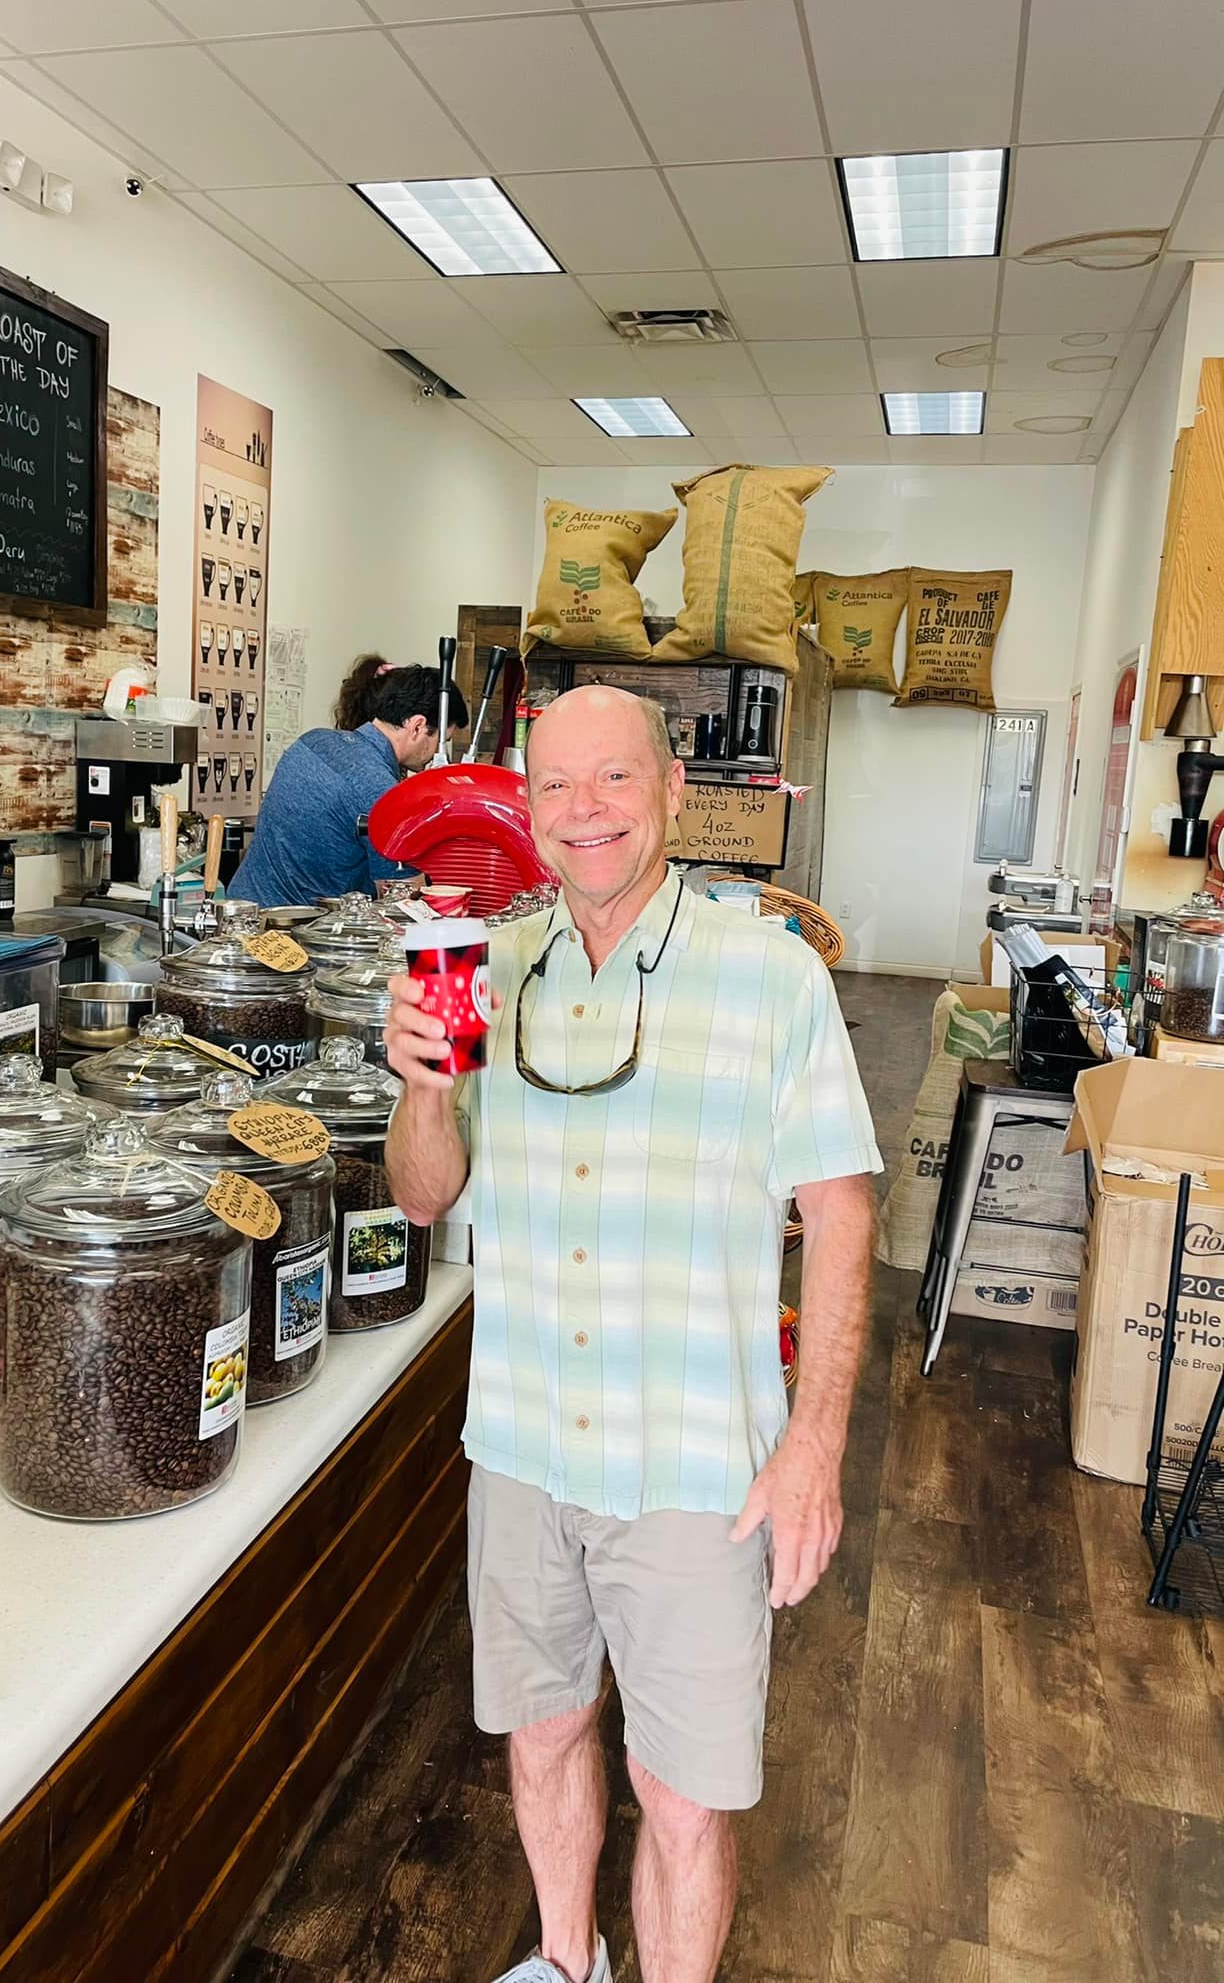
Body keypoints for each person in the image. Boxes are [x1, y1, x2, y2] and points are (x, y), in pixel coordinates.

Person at [384, 686, 880, 1983]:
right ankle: (567, 1961)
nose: (584, 809)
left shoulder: (771, 977)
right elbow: (424, 1196)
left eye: (614, 778)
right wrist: (422, 1089)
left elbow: (841, 1213)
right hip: (524, 1445)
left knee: (682, 1796)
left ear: (673, 792)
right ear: (527, 809)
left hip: (695, 1465)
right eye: (555, 784)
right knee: (543, 1733)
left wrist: (815, 1445)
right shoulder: (480, 969)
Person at [227, 662, 467, 906]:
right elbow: (402, 896)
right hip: (302, 926)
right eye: (441, 741)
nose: (438, 754)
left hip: (243, 909)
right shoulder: (381, 791)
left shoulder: (312, 741)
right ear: (417, 726)